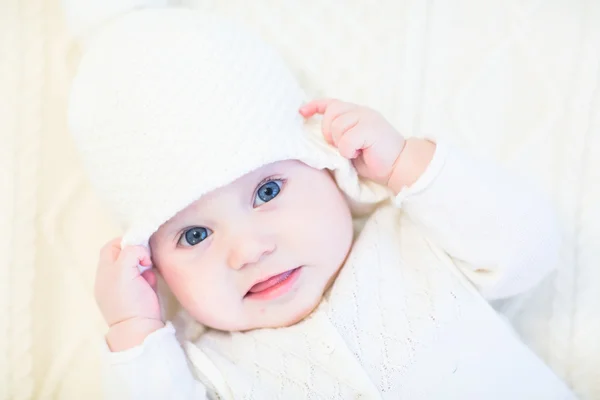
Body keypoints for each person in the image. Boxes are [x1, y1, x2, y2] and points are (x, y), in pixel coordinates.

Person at [67, 6, 575, 399]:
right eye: (193, 235)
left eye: (267, 192)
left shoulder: (411, 240)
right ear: (150, 266)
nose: (247, 250)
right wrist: (135, 332)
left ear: (329, 165)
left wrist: (406, 164)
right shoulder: (206, 367)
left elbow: (529, 249)